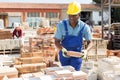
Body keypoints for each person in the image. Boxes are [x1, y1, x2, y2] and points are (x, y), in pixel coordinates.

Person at [54, 1, 92, 71]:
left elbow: (90, 42)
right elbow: (56, 41)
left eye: (74, 15)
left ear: (79, 14)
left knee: (76, 74)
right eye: (70, 15)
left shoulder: (84, 27)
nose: (71, 18)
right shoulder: (61, 25)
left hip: (77, 56)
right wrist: (62, 49)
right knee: (65, 74)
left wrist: (86, 50)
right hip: (64, 55)